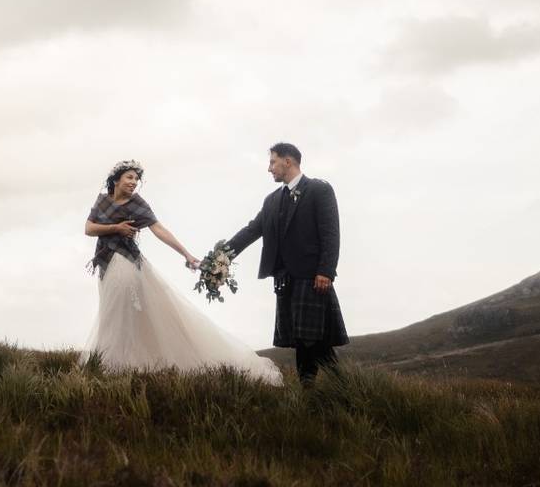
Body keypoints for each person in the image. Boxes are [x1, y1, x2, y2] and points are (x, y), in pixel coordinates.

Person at [82, 160, 283, 385]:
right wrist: (116, 228)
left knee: (117, 314)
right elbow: (89, 228)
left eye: (136, 179)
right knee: (113, 311)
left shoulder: (136, 203)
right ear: (116, 179)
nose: (134, 182)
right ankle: (116, 366)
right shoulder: (103, 201)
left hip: (125, 262)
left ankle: (110, 368)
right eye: (129, 177)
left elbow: (159, 229)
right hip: (104, 263)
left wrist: (186, 254)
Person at [227, 143, 348, 386]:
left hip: (312, 277)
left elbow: (330, 233)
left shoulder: (318, 190)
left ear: (288, 161)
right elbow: (252, 230)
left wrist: (326, 270)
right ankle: (344, 388)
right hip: (284, 279)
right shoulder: (272, 200)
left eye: (273, 162)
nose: (269, 168)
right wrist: (221, 255)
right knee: (311, 339)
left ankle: (309, 388)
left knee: (308, 338)